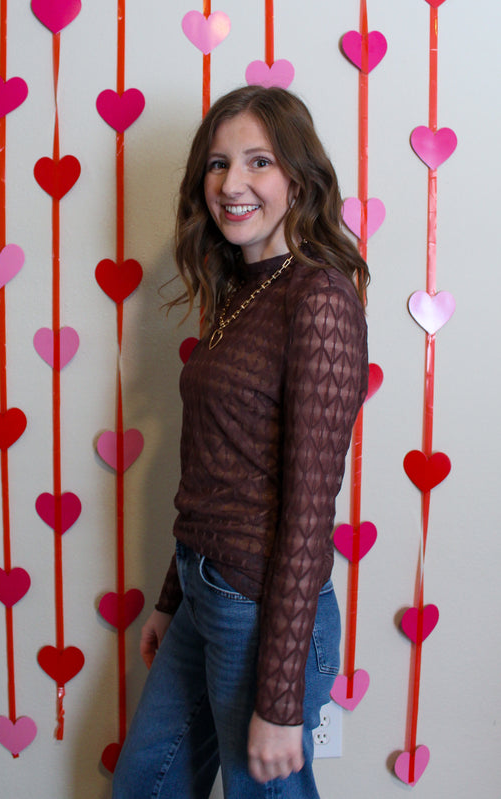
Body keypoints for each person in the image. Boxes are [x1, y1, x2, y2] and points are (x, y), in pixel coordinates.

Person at [112, 86, 369, 799]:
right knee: (144, 784)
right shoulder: (238, 292)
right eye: (218, 163)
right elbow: (214, 468)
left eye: (259, 161)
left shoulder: (319, 299)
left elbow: (307, 511)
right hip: (206, 590)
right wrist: (173, 599)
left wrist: (279, 701)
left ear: (298, 179)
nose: (232, 184)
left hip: (261, 613)